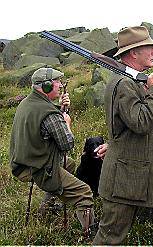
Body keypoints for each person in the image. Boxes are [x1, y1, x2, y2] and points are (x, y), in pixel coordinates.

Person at [92, 26, 153, 245]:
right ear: (134, 53)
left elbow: (127, 126)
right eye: (149, 47)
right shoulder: (125, 83)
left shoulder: (130, 81)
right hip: (124, 179)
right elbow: (141, 122)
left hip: (129, 176)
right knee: (110, 238)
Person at [9, 67, 105, 240]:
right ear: (45, 86)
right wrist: (66, 122)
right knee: (84, 192)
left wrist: (61, 108)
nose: (61, 85)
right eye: (57, 83)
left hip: (24, 161)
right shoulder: (50, 115)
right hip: (38, 167)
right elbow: (67, 144)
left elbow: (45, 126)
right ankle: (90, 235)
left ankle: (48, 205)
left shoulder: (28, 102)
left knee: (69, 164)